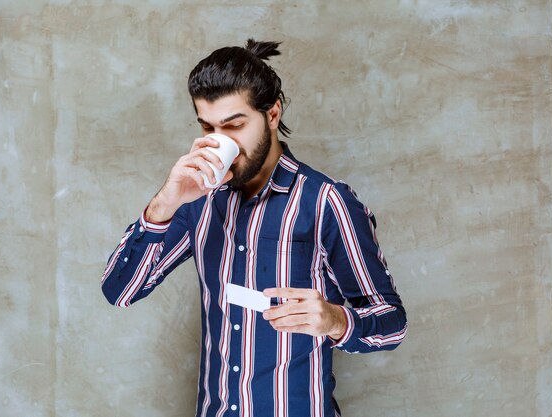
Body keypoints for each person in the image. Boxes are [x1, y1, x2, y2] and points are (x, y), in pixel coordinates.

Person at [101, 38, 407, 417]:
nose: (221, 141)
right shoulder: (197, 200)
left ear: (273, 114)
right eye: (209, 127)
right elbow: (120, 290)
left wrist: (334, 319)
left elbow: (392, 324)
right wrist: (165, 202)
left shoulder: (326, 201)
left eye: (235, 125)